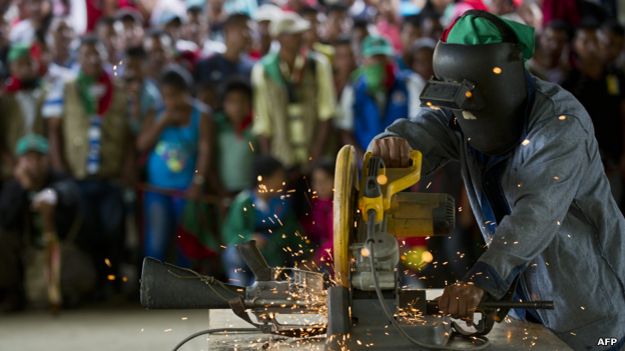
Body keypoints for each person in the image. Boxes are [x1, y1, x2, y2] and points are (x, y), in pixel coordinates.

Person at [370, 11, 625, 350]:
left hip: (589, 314)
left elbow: (537, 212)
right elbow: (426, 129)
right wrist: (391, 144)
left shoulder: (560, 123)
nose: (464, 117)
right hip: (527, 311)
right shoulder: (461, 112)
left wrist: (483, 277)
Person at [46, 35, 133, 294]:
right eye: (87, 54)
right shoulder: (65, 87)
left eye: (98, 53)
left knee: (113, 229)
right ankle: (97, 282)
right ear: (79, 58)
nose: (93, 59)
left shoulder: (119, 90)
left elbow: (129, 134)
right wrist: (61, 169)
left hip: (110, 176)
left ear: (106, 56)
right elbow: (54, 131)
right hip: (78, 176)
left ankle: (113, 280)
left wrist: (128, 166)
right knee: (89, 230)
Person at [0, 134, 91, 311]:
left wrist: (53, 196)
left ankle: (66, 294)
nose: (33, 164)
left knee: (75, 270)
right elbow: (5, 219)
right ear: (20, 162)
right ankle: (11, 293)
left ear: (47, 160)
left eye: (38, 158)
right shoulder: (13, 186)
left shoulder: (59, 180)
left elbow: (71, 192)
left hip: (58, 249)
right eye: (28, 158)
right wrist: (23, 188)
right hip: (26, 252)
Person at [136, 64, 211, 266]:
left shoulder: (201, 114)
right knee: (156, 241)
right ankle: (153, 288)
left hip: (185, 189)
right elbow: (142, 144)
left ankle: (184, 290)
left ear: (187, 92)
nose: (171, 101)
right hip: (156, 188)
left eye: (176, 95)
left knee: (185, 242)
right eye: (166, 96)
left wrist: (197, 182)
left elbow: (205, 151)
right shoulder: (157, 112)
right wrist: (163, 121)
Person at [252, 12, 336, 171]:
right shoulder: (263, 70)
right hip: (281, 155)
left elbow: (327, 112)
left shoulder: (317, 64)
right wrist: (270, 164)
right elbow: (263, 121)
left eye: (300, 33)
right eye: (293, 34)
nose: (300, 37)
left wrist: (316, 155)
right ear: (279, 38)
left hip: (314, 152)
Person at [562, 20, 625, 209]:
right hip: (580, 167)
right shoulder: (569, 83)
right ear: (575, 46)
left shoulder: (616, 76)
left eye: (596, 41)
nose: (591, 47)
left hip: (613, 162)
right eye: (585, 41)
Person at [221, 155, 304, 285]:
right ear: (263, 180)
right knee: (233, 253)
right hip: (246, 257)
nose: (283, 181)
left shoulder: (283, 203)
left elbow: (292, 231)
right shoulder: (244, 202)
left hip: (273, 257)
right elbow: (231, 232)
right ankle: (239, 290)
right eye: (279, 177)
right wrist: (249, 238)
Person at [336, 35, 417, 155]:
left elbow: (418, 123)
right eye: (374, 58)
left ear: (391, 59)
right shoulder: (354, 87)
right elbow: (345, 129)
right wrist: (361, 160)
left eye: (382, 57)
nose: (378, 62)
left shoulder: (409, 83)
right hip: (365, 159)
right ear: (363, 60)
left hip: (402, 160)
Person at [0, 42, 46, 180]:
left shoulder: (47, 94)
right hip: (12, 171)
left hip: (41, 170)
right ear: (11, 67)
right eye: (20, 64)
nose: (25, 68)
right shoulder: (5, 99)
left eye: (29, 62)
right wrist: (12, 165)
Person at [213, 79, 255, 195]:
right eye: (232, 101)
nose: (237, 107)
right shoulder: (217, 125)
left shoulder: (255, 129)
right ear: (223, 104)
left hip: (250, 190)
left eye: (243, 101)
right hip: (222, 190)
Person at [194, 13, 254, 95]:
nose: (249, 35)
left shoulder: (253, 69)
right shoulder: (206, 65)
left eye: (251, 31)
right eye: (244, 29)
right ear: (227, 31)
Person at [301, 158, 334, 268]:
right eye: (316, 181)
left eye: (325, 180)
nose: (320, 186)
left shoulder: (339, 207)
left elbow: (336, 241)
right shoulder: (317, 203)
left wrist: (315, 261)